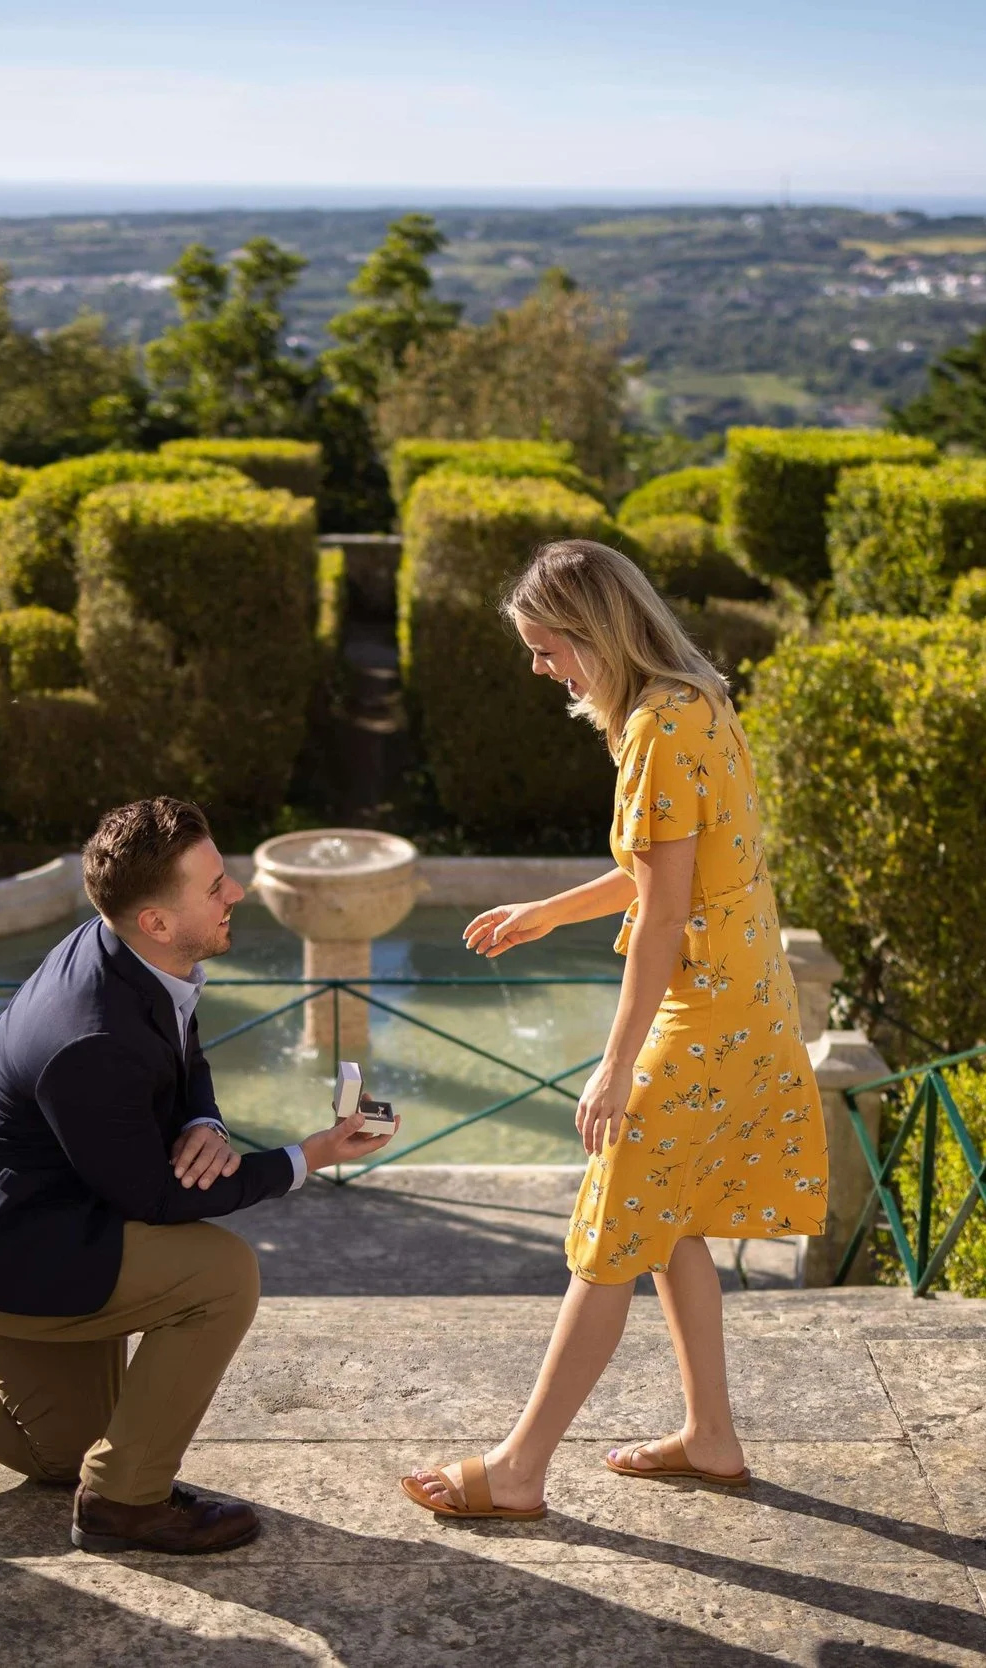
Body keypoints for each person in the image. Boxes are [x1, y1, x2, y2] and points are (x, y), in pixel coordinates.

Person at [0, 796, 395, 1554]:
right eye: (214, 888)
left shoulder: (130, 951)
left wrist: (203, 1120)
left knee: (62, 1452)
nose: (235, 892)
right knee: (223, 1275)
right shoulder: (92, 1039)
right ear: (158, 922)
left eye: (224, 875)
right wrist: (306, 1158)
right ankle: (124, 1504)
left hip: (46, 1206)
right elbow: (153, 1198)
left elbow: (180, 1043)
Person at [401, 539, 829, 1521]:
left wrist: (613, 1066)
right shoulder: (693, 701)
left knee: (606, 1235)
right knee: (668, 1223)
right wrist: (546, 912)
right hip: (745, 1000)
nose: (541, 669)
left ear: (592, 633)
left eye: (548, 648)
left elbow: (666, 917)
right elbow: (664, 879)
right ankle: (711, 1437)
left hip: (705, 1015)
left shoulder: (657, 730)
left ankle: (515, 1471)